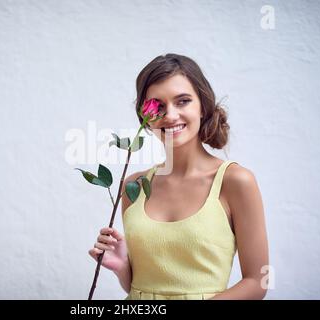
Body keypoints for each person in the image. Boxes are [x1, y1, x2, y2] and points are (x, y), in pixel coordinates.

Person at [88, 53, 269, 300]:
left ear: (203, 106)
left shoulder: (235, 181)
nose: (170, 115)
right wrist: (122, 267)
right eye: (158, 106)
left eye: (182, 101)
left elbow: (257, 282)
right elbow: (142, 288)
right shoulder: (133, 186)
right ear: (145, 117)